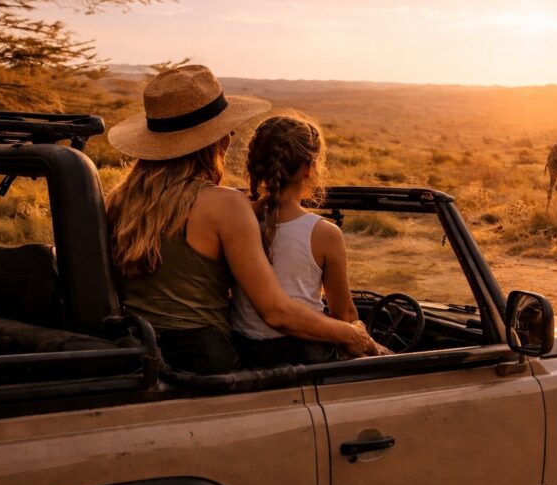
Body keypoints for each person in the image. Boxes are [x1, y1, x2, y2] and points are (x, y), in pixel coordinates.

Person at [105, 65, 373, 374]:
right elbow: (277, 313)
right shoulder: (224, 205)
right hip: (206, 363)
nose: (230, 136)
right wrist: (352, 334)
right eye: (226, 130)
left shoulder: (120, 199)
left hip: (142, 355)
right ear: (215, 141)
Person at [232, 115, 388, 367]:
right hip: (305, 355)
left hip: (245, 352)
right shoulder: (323, 233)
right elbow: (345, 314)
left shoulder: (237, 218)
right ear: (309, 167)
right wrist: (372, 346)